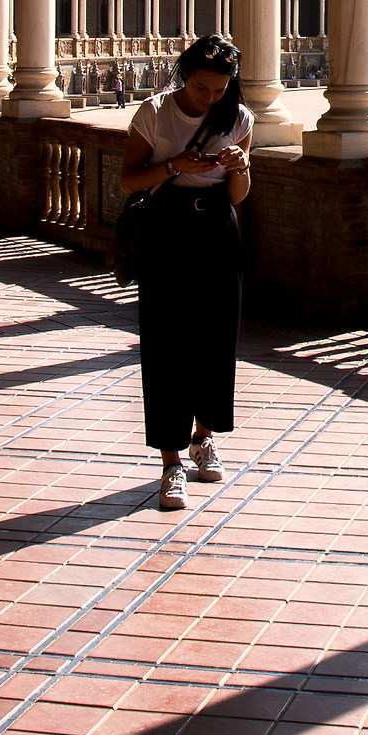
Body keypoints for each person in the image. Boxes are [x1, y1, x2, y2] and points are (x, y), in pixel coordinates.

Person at [118, 35, 252, 512]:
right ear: (184, 75)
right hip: (167, 230)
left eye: (219, 90)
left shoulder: (237, 119)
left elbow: (237, 195)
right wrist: (174, 165)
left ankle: (204, 436)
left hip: (217, 229)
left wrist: (241, 166)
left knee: (216, 340)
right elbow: (129, 179)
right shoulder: (154, 114)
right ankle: (170, 462)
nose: (209, 98)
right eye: (201, 88)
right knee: (166, 342)